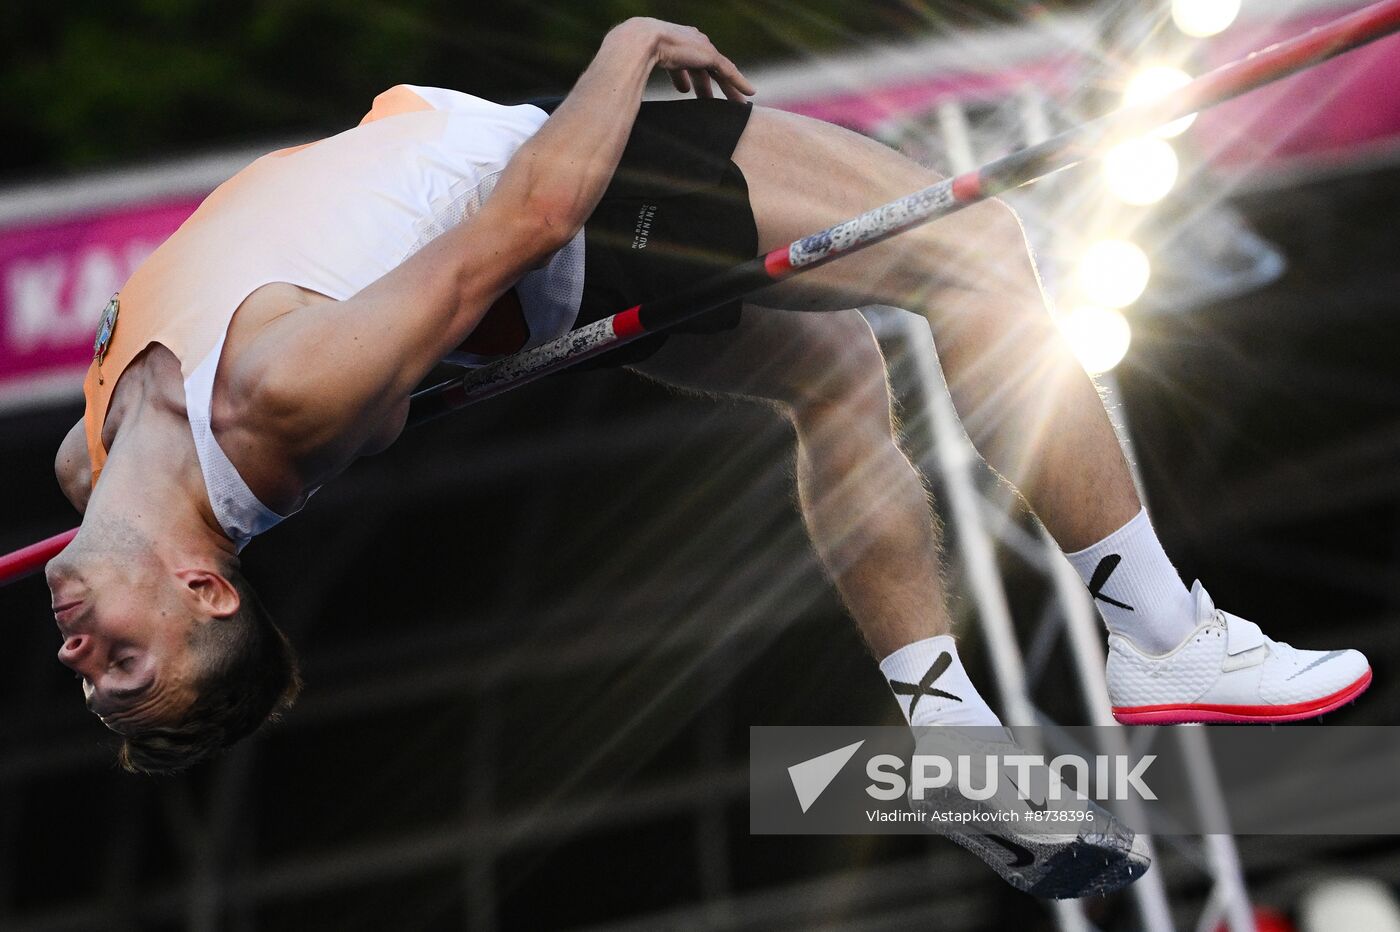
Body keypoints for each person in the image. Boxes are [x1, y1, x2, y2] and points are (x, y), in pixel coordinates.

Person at [45, 17, 1369, 897]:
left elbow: (93, 477)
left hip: (514, 250)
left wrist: (123, 511)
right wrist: (627, 47)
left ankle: (950, 732)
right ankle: (1160, 630)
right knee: (979, 256)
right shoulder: (281, 394)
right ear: (206, 589)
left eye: (94, 674)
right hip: (562, 192)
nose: (75, 656)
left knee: (837, 376)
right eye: (124, 666)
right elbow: (535, 212)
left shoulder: (92, 466)